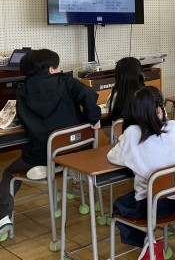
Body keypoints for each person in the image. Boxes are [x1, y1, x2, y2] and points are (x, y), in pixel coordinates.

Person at [0, 49, 101, 236]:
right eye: (58, 66)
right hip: (75, 150)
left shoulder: (23, 91)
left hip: (42, 154)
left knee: (8, 173)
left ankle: (3, 218)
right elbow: (88, 95)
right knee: (58, 155)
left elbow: (23, 120)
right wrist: (93, 118)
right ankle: (57, 169)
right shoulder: (66, 81)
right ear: (51, 69)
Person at [107, 86, 175, 260]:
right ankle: (150, 244)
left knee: (119, 207)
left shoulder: (132, 134)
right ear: (159, 109)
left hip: (154, 206)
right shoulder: (173, 128)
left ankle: (148, 242)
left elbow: (112, 156)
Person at [106, 57, 145, 125]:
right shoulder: (146, 96)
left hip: (118, 131)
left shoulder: (112, 96)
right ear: (139, 74)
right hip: (142, 131)